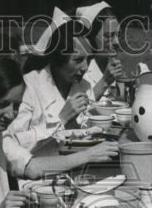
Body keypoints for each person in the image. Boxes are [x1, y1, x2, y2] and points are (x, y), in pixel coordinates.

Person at [0, 54, 117, 207]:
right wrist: (88, 155)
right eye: (1, 104)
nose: (10, 115)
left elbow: (26, 162)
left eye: (17, 106)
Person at [14, 11, 93, 149]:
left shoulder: (85, 86)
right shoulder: (29, 86)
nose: (85, 67)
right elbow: (15, 143)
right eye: (78, 60)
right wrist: (61, 119)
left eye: (88, 59)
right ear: (57, 59)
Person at [77, 1, 126, 101]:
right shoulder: (79, 71)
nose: (117, 42)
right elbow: (79, 111)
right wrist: (105, 81)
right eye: (108, 36)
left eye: (118, 35)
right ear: (90, 37)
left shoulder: (112, 67)